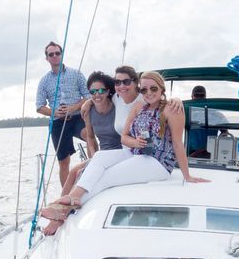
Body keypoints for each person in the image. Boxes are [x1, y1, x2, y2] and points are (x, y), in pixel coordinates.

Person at [41, 71, 209, 235]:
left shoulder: (172, 110)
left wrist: (187, 176)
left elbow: (178, 145)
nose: (148, 93)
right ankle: (73, 198)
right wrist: (135, 142)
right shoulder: (138, 107)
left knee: (106, 176)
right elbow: (124, 138)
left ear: (162, 89)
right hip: (136, 152)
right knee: (98, 157)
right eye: (144, 90)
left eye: (153, 89)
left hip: (158, 162)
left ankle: (63, 211)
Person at [36, 41, 91, 186]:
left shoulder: (76, 74)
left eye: (57, 53)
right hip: (58, 122)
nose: (54, 56)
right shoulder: (44, 81)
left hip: (78, 116)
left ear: (62, 54)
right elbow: (39, 106)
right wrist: (55, 112)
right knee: (63, 161)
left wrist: (74, 107)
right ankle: (65, 195)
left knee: (89, 136)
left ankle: (95, 172)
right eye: (51, 54)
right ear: (47, 58)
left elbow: (88, 96)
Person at [60, 71, 122, 195]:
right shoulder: (88, 111)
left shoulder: (118, 106)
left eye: (101, 90)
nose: (97, 94)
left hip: (120, 153)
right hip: (101, 155)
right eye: (93, 92)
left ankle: (71, 200)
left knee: (82, 174)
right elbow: (90, 137)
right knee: (73, 172)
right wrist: (93, 157)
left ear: (108, 91)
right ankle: (60, 205)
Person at [188, 85, 230, 158]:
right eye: (196, 95)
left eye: (201, 96)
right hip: (189, 153)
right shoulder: (186, 113)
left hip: (212, 154)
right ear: (192, 97)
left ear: (205, 97)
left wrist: (217, 145)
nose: (199, 98)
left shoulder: (217, 115)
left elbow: (225, 132)